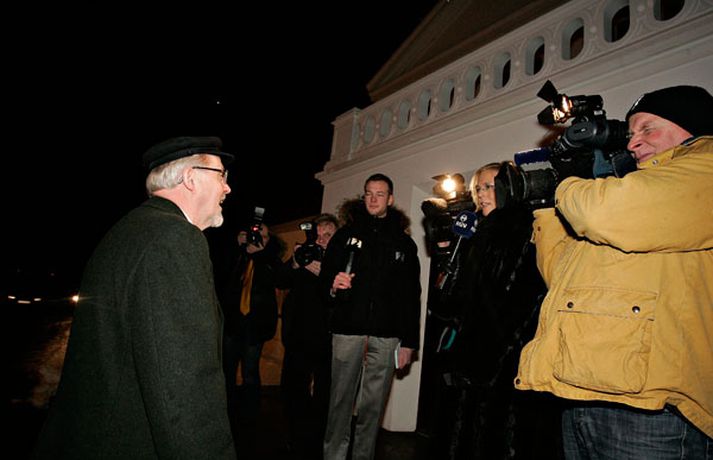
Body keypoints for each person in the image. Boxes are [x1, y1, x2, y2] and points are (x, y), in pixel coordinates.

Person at [514, 85, 713, 458]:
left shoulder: (705, 166)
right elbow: (560, 275)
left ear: (693, 127)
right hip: (583, 392)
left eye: (648, 129)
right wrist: (546, 208)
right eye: (631, 132)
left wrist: (568, 183)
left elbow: (601, 212)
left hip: (655, 410)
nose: (633, 143)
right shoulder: (624, 193)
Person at [32, 136, 236, 459]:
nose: (227, 188)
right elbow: (183, 386)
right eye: (221, 175)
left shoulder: (129, 230)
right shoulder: (175, 239)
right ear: (190, 177)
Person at [429, 163, 559, 459]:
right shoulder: (474, 235)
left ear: (509, 188)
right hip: (467, 360)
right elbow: (448, 305)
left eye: (489, 186)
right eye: (478, 188)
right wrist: (446, 252)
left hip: (505, 364)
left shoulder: (526, 230)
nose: (481, 194)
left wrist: (495, 355)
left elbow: (523, 301)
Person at [321, 173, 422, 460]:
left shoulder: (404, 243)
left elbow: (411, 296)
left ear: (390, 199)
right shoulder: (345, 235)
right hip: (347, 331)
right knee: (339, 403)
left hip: (387, 336)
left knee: (373, 408)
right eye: (369, 193)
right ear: (363, 196)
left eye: (380, 194)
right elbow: (325, 277)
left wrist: (409, 343)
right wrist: (333, 283)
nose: (373, 198)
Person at [220, 220, 287, 456]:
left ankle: (250, 417)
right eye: (255, 235)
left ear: (270, 241)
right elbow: (222, 277)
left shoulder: (269, 259)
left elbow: (280, 279)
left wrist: (261, 254)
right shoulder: (239, 255)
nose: (259, 239)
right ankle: (225, 412)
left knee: (250, 372)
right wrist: (236, 246)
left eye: (264, 237)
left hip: (255, 326)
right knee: (227, 370)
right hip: (233, 324)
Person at [280, 213, 339, 460]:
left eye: (328, 235)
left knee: (324, 395)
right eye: (318, 234)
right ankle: (295, 438)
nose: (321, 239)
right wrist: (296, 262)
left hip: (327, 339)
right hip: (297, 336)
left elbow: (345, 298)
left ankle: (318, 442)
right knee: (293, 391)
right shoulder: (304, 255)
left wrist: (325, 275)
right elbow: (280, 279)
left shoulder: (341, 261)